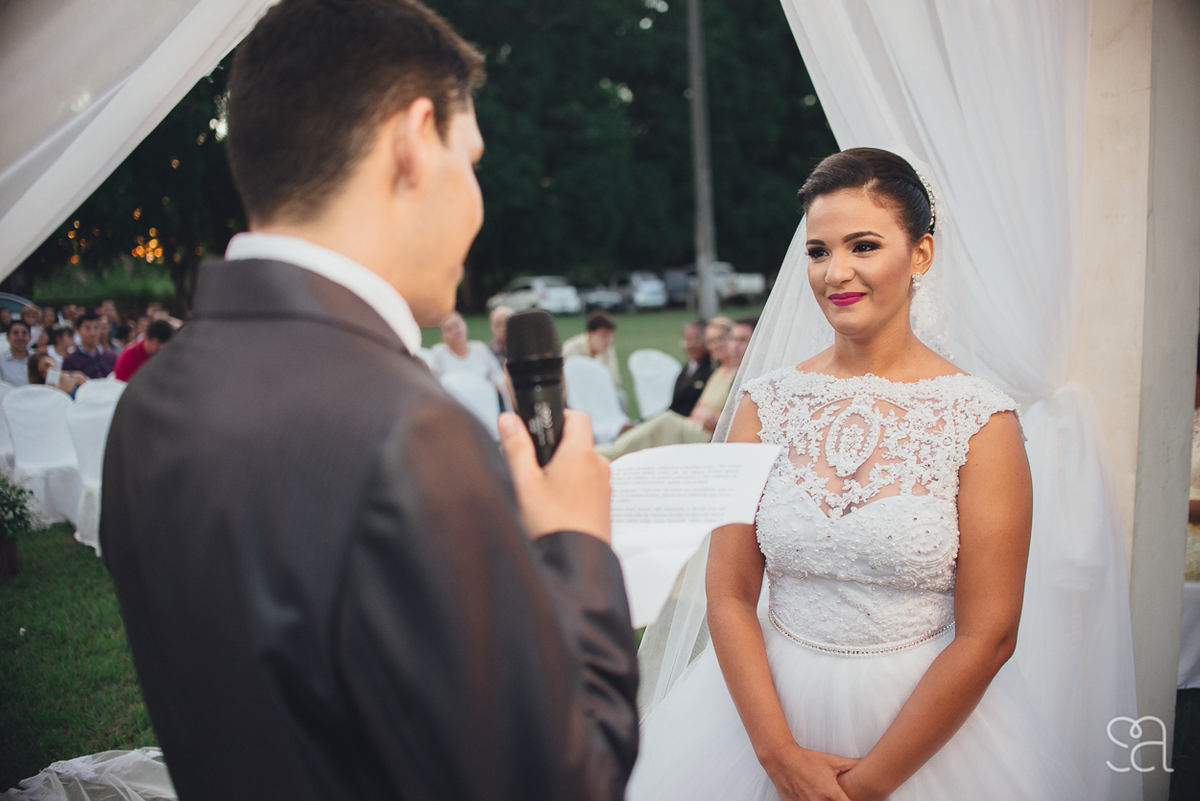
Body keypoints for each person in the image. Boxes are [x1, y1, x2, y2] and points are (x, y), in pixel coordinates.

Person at [100, 3, 638, 801]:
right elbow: (564, 781)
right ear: (415, 141)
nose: (479, 201)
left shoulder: (150, 403)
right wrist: (575, 541)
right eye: (474, 158)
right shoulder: (408, 434)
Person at [629, 149, 1084, 800]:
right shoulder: (766, 404)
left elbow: (991, 633)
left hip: (923, 737)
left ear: (920, 253)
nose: (836, 272)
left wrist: (867, 785)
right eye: (819, 251)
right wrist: (778, 754)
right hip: (759, 718)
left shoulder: (981, 420)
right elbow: (728, 592)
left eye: (863, 245)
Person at [595, 316, 745, 461]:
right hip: (694, 425)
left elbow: (726, 416)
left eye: (721, 338)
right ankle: (612, 450)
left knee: (666, 421)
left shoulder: (733, 373)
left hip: (708, 436)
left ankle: (609, 453)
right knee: (661, 423)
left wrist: (708, 417)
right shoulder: (717, 371)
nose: (716, 345)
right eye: (711, 341)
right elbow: (697, 409)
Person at [429, 310, 511, 409]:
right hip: (456, 407)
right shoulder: (439, 353)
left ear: (464, 325)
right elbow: (434, 385)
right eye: (448, 329)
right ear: (443, 336)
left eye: (457, 325)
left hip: (484, 404)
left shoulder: (480, 349)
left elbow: (497, 377)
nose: (455, 331)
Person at [563, 310, 622, 390]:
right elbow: (569, 382)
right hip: (578, 394)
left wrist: (601, 358)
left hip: (599, 392)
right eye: (603, 336)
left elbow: (615, 381)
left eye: (610, 335)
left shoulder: (608, 348)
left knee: (620, 397)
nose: (608, 341)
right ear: (590, 334)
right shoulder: (572, 349)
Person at [668, 317, 714, 416]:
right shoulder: (687, 368)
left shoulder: (712, 369)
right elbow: (674, 406)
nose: (691, 345)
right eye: (688, 339)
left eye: (697, 339)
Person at [62, 309, 117, 378]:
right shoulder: (70, 359)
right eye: (87, 328)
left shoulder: (111, 356)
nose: (92, 333)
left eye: (96, 328)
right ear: (78, 330)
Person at [0, 320, 31, 385]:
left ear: (30, 337)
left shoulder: (39, 359)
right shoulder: (1, 362)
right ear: (8, 337)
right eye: (15, 333)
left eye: (24, 333)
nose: (20, 337)